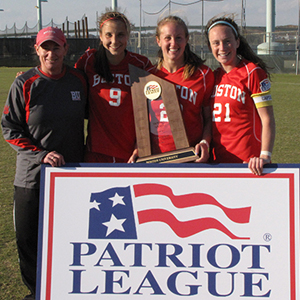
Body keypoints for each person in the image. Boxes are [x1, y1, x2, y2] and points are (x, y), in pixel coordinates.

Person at [1, 27, 87, 300]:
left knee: (69, 239)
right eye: (45, 47)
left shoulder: (78, 80)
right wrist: (40, 155)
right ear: (37, 50)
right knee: (29, 241)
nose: (51, 53)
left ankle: (65, 288)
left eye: (57, 47)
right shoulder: (24, 83)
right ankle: (37, 292)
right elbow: (10, 129)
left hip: (71, 178)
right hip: (32, 178)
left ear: (66, 49)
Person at [75, 11, 152, 163]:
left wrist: (141, 145)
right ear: (100, 36)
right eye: (109, 35)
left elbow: (153, 109)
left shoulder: (141, 64)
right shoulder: (89, 60)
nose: (114, 40)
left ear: (128, 35)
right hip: (96, 152)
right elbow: (66, 80)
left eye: (120, 34)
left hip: (132, 154)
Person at [205, 15, 276, 175]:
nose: (222, 47)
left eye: (227, 41)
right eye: (216, 43)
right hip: (217, 165)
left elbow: (267, 118)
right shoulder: (213, 77)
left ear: (237, 42)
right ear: (210, 47)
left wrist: (264, 155)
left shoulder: (253, 73)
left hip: (249, 165)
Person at [147, 15, 214, 162]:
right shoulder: (148, 76)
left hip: (191, 157)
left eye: (178, 38)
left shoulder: (203, 74)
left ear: (186, 39)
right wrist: (138, 147)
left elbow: (209, 118)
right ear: (158, 41)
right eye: (167, 38)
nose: (173, 43)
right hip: (155, 158)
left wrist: (204, 142)